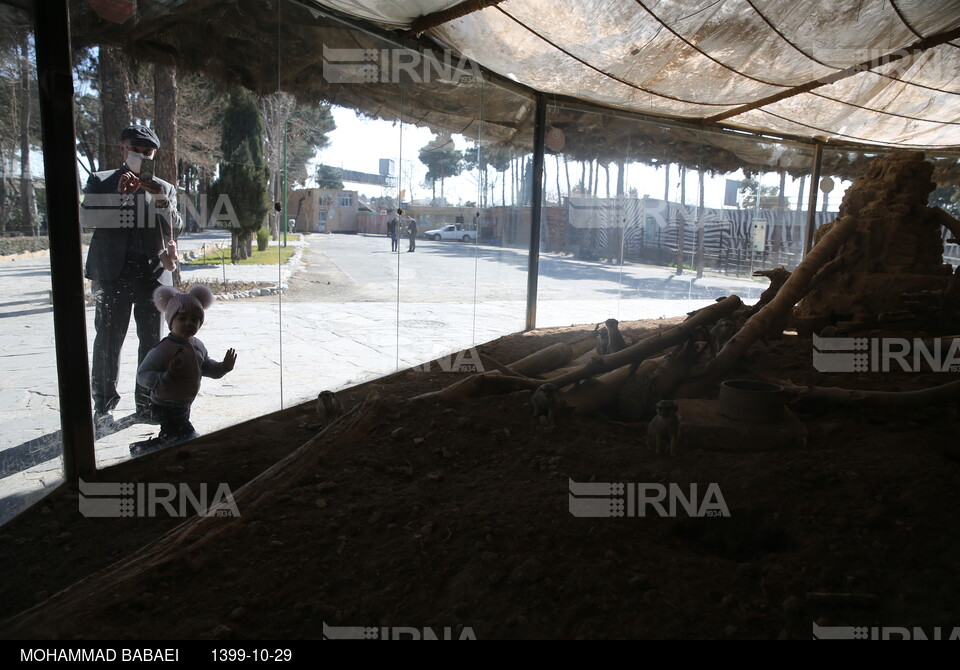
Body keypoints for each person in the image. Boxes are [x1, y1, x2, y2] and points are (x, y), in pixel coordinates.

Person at [81, 125, 182, 434]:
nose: (141, 156)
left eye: (148, 153)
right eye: (136, 151)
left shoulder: (163, 186)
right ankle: (104, 407)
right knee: (108, 344)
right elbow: (87, 221)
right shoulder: (102, 181)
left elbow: (177, 225)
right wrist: (117, 197)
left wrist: (161, 200)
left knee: (151, 344)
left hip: (153, 276)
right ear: (122, 150)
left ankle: (146, 404)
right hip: (113, 275)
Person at [130, 285, 237, 455]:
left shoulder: (197, 345)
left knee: (172, 437)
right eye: (182, 318)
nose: (189, 323)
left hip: (184, 403)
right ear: (171, 321)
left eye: (195, 320)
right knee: (186, 435)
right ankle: (142, 450)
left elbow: (206, 367)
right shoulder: (162, 349)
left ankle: (142, 449)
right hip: (165, 405)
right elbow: (143, 376)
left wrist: (223, 367)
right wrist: (167, 377)